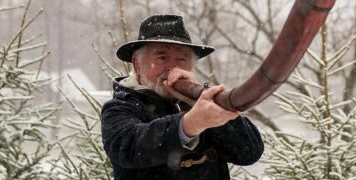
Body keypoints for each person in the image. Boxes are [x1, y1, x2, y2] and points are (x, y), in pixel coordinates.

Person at [102, 14, 264, 180]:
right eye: (161, 57)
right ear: (137, 65)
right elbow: (130, 146)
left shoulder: (201, 101)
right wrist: (191, 123)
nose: (172, 67)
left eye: (182, 58)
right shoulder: (119, 108)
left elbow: (249, 152)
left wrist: (195, 102)